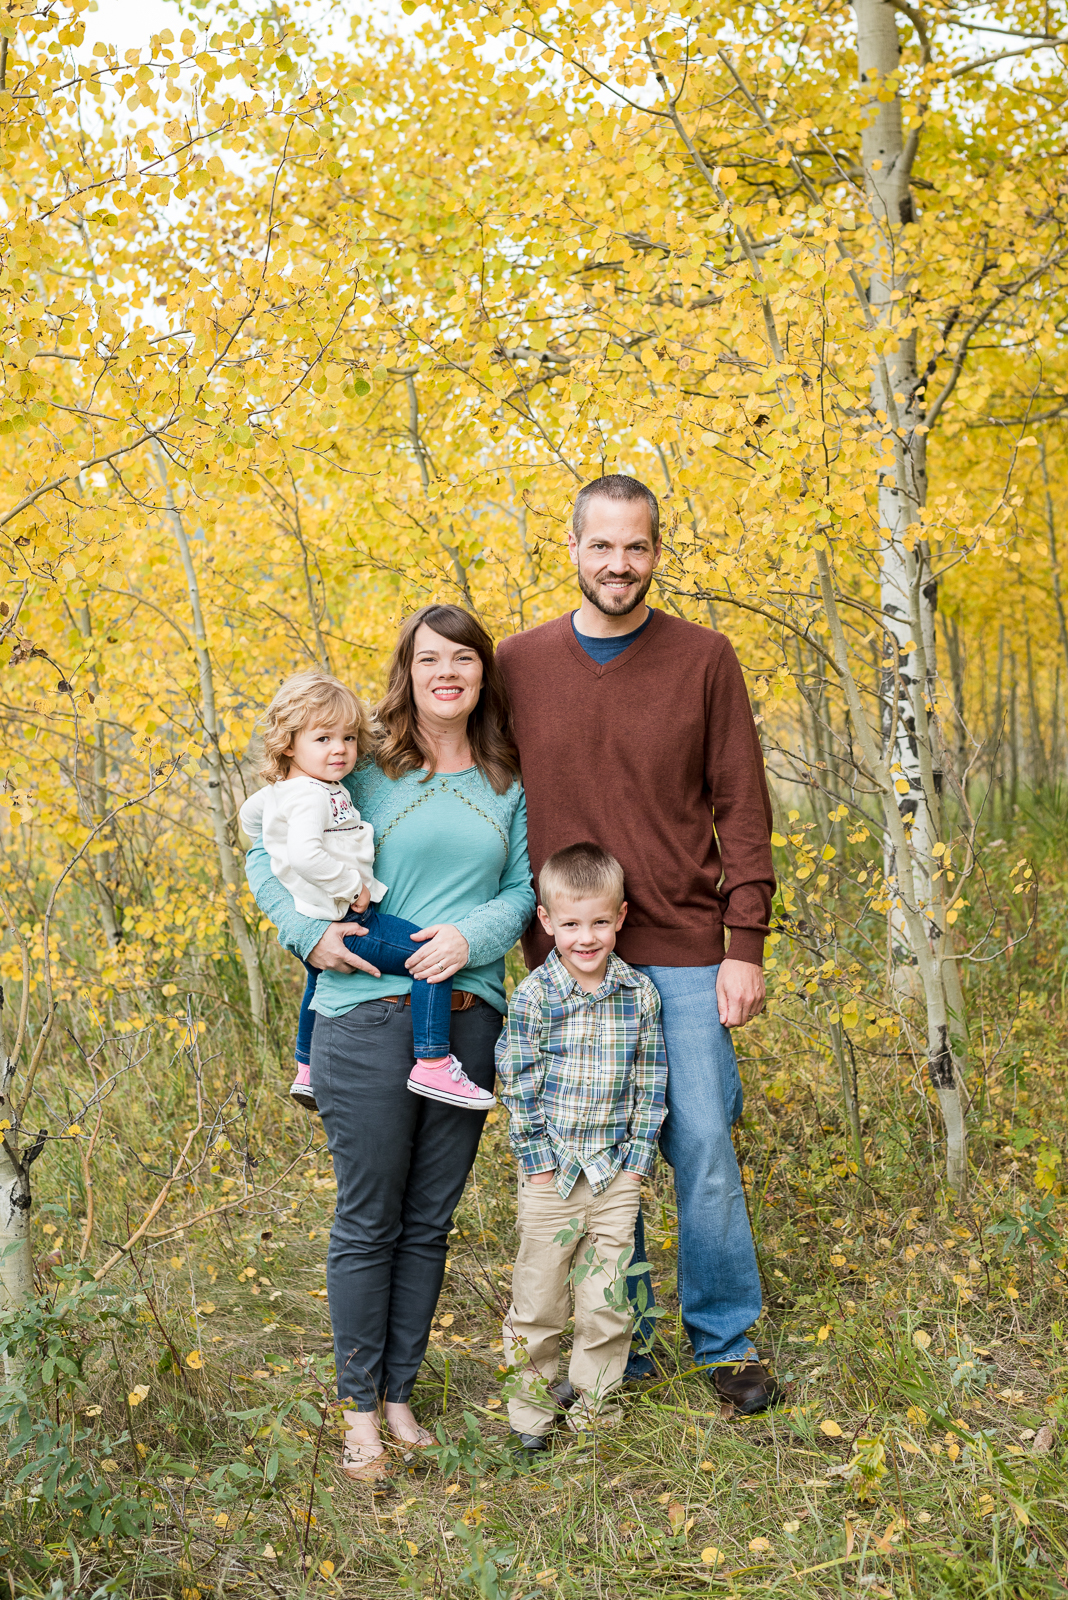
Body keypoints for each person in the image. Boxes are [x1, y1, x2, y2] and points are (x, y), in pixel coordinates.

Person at [496, 473, 780, 1415]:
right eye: (603, 545)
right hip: (574, 958)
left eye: (638, 546)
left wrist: (746, 940)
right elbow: (470, 779)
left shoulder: (705, 659)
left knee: (700, 1141)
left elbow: (742, 804)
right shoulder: (518, 664)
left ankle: (723, 1340)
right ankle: (630, 1337)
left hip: (690, 947)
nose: (620, 564)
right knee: (605, 1155)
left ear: (657, 553)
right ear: (571, 548)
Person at [245, 605, 534, 1479]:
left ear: (484, 674)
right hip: (364, 1010)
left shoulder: (509, 782)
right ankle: (357, 1406)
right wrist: (307, 936)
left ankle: (400, 1392)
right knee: (369, 1218)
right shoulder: (363, 769)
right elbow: (263, 846)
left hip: (469, 1013)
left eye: (463, 659)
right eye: (428, 659)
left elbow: (522, 891)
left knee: (428, 1221)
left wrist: (468, 940)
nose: (446, 673)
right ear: (405, 672)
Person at [239, 670, 493, 1114]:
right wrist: (350, 885)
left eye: (349, 738)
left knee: (316, 979)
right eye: (323, 739)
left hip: (327, 915)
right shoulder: (311, 797)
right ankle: (433, 1061)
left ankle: (306, 1066)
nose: (340, 749)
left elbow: (251, 818)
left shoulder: (295, 790)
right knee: (429, 955)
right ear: (288, 744)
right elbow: (301, 854)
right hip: (350, 915)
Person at [497, 843, 667, 1449]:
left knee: (607, 1305)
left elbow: (651, 1083)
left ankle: (596, 1413)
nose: (586, 937)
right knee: (539, 1304)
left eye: (599, 922)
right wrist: (537, 1165)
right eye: (570, 924)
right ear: (547, 922)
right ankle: (530, 1419)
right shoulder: (535, 998)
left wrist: (637, 1164)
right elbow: (517, 1082)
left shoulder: (639, 994)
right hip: (553, 1180)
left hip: (615, 1178)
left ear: (620, 917)